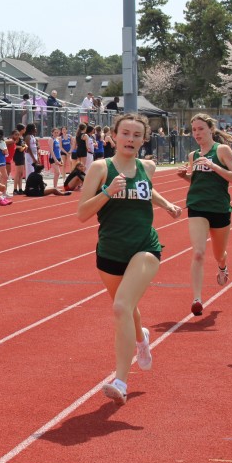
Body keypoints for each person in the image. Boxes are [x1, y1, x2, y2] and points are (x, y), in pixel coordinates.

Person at [77, 114, 182, 406]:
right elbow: (82, 213)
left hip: (144, 247)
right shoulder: (101, 168)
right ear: (114, 135)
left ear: (144, 139)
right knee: (128, 308)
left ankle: (121, 381)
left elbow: (147, 189)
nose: (130, 139)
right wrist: (108, 192)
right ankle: (141, 338)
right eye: (125, 133)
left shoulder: (147, 167)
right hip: (110, 252)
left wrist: (167, 204)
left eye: (137, 135)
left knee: (121, 307)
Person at [176, 114, 232, 316]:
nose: (196, 133)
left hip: (219, 208)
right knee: (198, 253)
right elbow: (198, 180)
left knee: (219, 254)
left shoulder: (221, 150)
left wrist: (213, 166)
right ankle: (197, 299)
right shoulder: (193, 155)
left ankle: (222, 266)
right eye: (194, 130)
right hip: (197, 206)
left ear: (210, 130)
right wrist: (185, 176)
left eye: (200, 129)